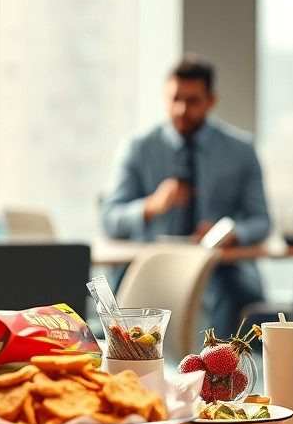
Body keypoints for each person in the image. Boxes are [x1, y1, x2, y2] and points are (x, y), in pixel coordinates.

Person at [100, 55, 270, 337]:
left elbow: (260, 219)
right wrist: (151, 206)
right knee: (120, 301)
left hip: (218, 265)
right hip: (148, 263)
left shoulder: (241, 150)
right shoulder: (137, 147)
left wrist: (231, 232)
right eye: (175, 98)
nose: (181, 109)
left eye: (192, 101)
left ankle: (224, 373)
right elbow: (109, 218)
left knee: (241, 294)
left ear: (211, 100)